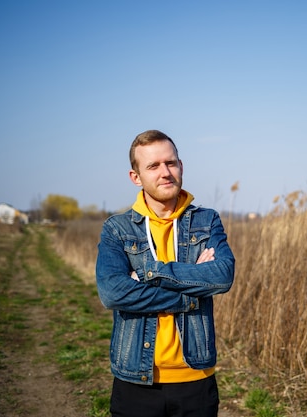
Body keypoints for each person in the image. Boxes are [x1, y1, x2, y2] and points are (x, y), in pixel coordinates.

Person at [96, 129, 235, 417]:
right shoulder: (117, 228)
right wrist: (191, 290)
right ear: (136, 177)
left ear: (181, 166)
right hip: (136, 380)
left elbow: (222, 275)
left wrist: (148, 273)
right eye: (153, 166)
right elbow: (112, 292)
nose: (165, 172)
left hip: (195, 380)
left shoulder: (206, 221)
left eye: (171, 163)